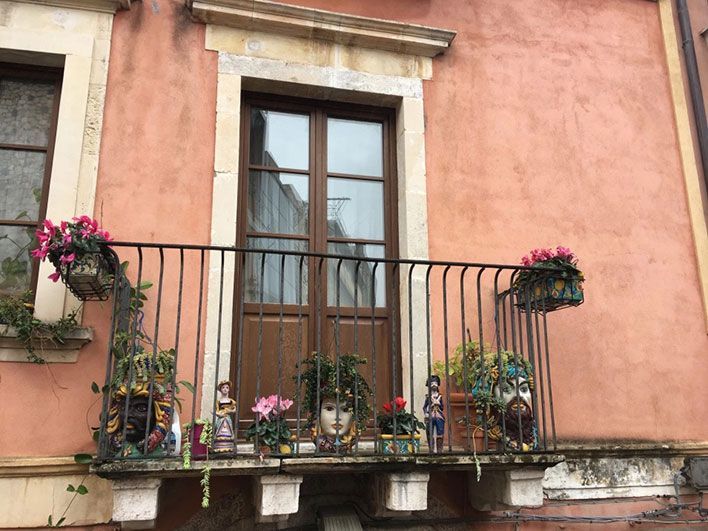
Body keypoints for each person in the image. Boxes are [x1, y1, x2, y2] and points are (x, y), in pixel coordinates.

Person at [213, 380, 236, 453]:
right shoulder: (218, 402)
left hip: (227, 419)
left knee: (228, 431)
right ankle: (219, 445)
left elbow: (234, 409)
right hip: (221, 419)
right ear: (220, 390)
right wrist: (218, 414)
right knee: (220, 430)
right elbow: (215, 410)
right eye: (223, 387)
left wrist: (230, 411)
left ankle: (228, 445)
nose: (225, 389)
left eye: (227, 387)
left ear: (229, 389)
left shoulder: (231, 401)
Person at [423, 375, 445, 453]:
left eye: (435, 383)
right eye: (432, 383)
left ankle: (439, 450)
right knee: (429, 431)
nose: (434, 385)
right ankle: (431, 449)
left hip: (438, 415)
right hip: (430, 415)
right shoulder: (428, 397)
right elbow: (425, 407)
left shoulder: (440, 396)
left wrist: (439, 404)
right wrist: (426, 413)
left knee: (440, 431)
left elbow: (442, 407)